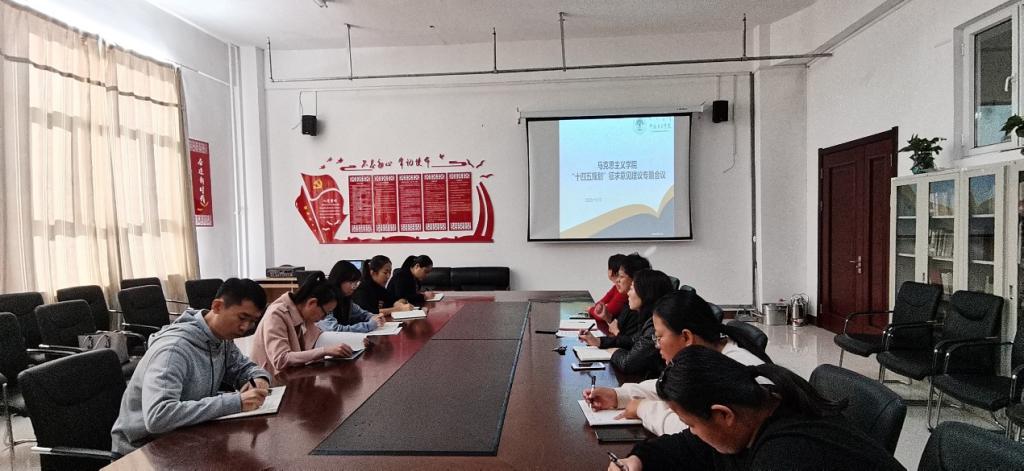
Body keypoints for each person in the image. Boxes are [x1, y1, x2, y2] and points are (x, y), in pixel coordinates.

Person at [610, 347, 904, 471]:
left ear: (723, 414)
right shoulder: (760, 405)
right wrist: (640, 458)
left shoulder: (785, 456)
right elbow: (693, 445)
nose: (692, 432)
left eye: (692, 424)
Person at [111, 278, 271, 457]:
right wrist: (236, 402)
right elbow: (158, 416)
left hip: (184, 436)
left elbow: (242, 367)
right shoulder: (173, 350)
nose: (245, 327)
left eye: (252, 321)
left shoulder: (221, 339)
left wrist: (259, 378)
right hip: (142, 451)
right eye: (242, 318)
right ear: (217, 306)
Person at [585, 290, 769, 435]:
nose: (656, 345)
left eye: (659, 337)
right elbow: (665, 386)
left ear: (686, 337)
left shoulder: (731, 369)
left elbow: (697, 430)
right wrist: (618, 395)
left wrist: (643, 408)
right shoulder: (707, 354)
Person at [250, 273, 359, 376]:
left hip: (293, 376)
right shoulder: (277, 314)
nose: (323, 318)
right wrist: (325, 351)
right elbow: (281, 359)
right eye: (325, 312)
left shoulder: (303, 314)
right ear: (312, 303)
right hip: (270, 383)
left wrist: (358, 341)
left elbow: (319, 337)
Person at [580, 269, 673, 378]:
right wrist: (598, 341)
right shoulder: (646, 318)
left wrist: (615, 351)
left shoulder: (654, 325)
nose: (628, 293)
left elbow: (627, 363)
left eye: (632, 289)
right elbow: (632, 340)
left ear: (646, 294)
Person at [318, 260, 385, 333]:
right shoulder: (326, 299)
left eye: (356, 283)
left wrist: (375, 317)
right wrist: (368, 326)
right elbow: (333, 329)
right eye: (351, 282)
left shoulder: (346, 299)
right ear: (339, 280)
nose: (354, 287)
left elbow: (362, 314)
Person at [593, 253, 651, 338]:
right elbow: (621, 329)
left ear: (635, 279)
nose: (617, 280)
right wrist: (608, 318)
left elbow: (631, 342)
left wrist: (616, 332)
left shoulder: (639, 310)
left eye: (621, 277)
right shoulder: (628, 304)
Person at [588, 254, 628, 323]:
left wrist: (590, 309)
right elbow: (600, 303)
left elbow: (605, 314)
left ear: (611, 271)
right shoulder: (616, 287)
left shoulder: (623, 292)